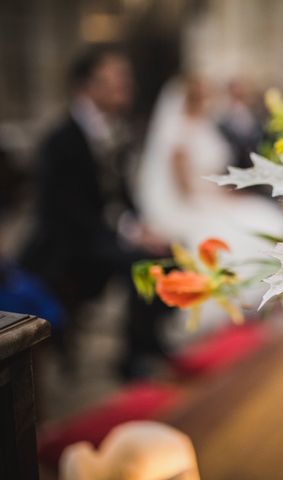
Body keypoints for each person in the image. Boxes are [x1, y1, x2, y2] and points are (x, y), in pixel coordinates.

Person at [20, 45, 169, 378]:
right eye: (115, 79)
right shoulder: (60, 140)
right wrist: (128, 233)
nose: (125, 86)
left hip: (100, 233)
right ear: (86, 86)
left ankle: (149, 340)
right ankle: (131, 361)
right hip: (66, 243)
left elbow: (121, 195)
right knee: (141, 262)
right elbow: (66, 213)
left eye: (125, 78)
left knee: (167, 251)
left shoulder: (115, 129)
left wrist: (141, 226)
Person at [137, 74, 283, 322]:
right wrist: (222, 196)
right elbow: (186, 188)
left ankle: (269, 297)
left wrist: (230, 193)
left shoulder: (206, 124)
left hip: (216, 194)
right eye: (203, 93)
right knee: (252, 226)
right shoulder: (178, 132)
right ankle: (240, 304)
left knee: (267, 214)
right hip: (193, 203)